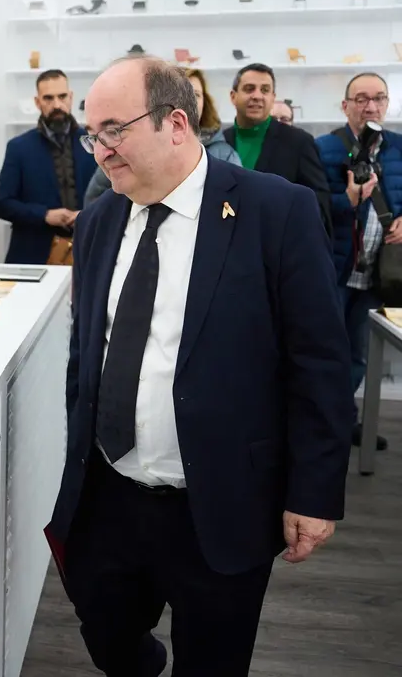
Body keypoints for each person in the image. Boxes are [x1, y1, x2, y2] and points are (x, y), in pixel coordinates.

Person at [50, 56, 351, 676]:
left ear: (177, 123)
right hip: (108, 493)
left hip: (219, 502)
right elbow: (89, 349)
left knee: (213, 661)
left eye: (113, 130)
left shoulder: (277, 211)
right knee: (107, 636)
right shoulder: (102, 218)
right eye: (92, 134)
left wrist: (314, 491)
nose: (99, 150)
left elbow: (319, 361)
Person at [315, 72, 402, 451]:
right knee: (320, 351)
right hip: (330, 270)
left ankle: (342, 420)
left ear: (386, 103)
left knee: (357, 355)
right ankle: (316, 421)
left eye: (378, 98)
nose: (371, 105)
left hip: (376, 274)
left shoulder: (400, 148)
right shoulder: (321, 148)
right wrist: (348, 200)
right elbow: (309, 208)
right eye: (361, 98)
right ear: (345, 105)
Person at [83, 67, 242, 206]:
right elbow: (94, 201)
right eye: (94, 137)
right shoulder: (118, 154)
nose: (186, 101)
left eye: (195, 94)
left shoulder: (224, 154)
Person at [0, 69, 96, 265]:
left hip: (90, 250)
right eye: (48, 98)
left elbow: (114, 195)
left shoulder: (93, 142)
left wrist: (86, 215)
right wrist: (44, 215)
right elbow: (3, 204)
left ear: (71, 97)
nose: (57, 104)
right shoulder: (18, 147)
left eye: (62, 96)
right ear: (37, 102)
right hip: (34, 254)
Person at [224, 63, 333, 239]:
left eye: (265, 90)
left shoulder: (298, 142)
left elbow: (318, 201)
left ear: (273, 97)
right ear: (233, 96)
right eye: (249, 89)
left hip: (279, 251)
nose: (257, 96)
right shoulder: (220, 142)